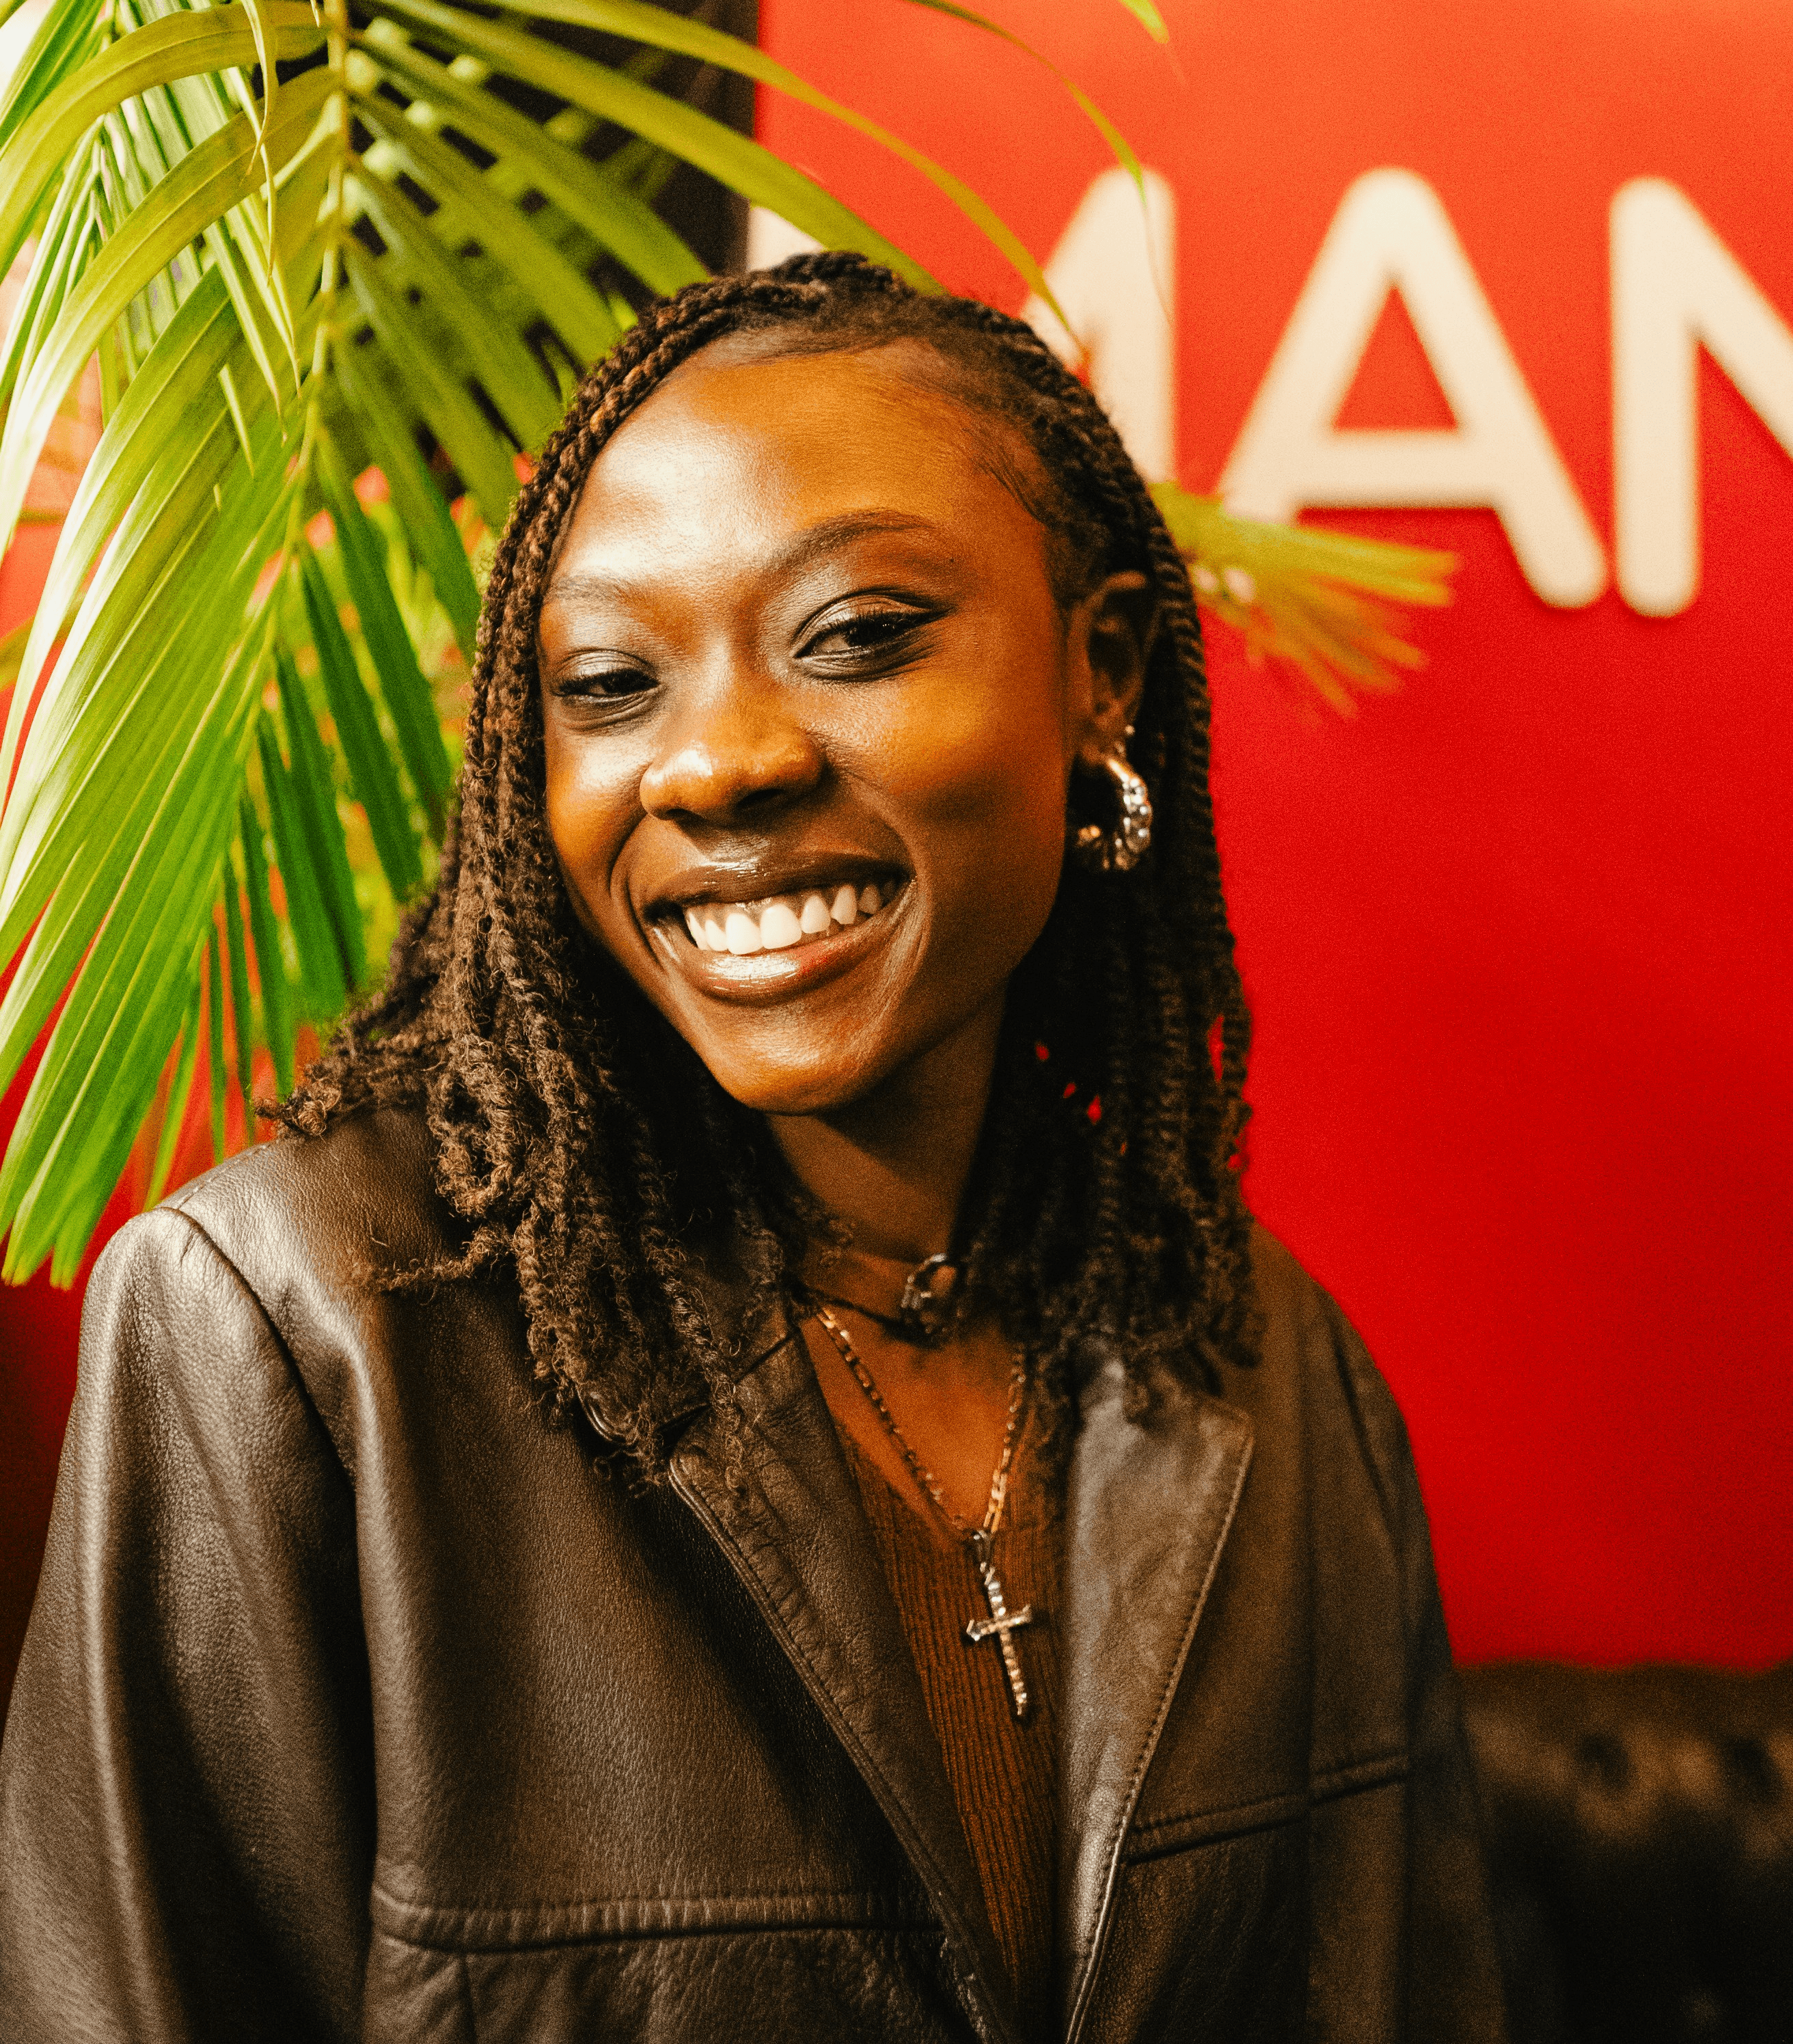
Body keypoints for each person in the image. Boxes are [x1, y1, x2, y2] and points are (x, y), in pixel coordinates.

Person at [0, 254, 1509, 2042]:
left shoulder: (1269, 1372)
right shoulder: (302, 1336)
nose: (714, 763)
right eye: (612, 682)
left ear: (1102, 675)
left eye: (858, 635)